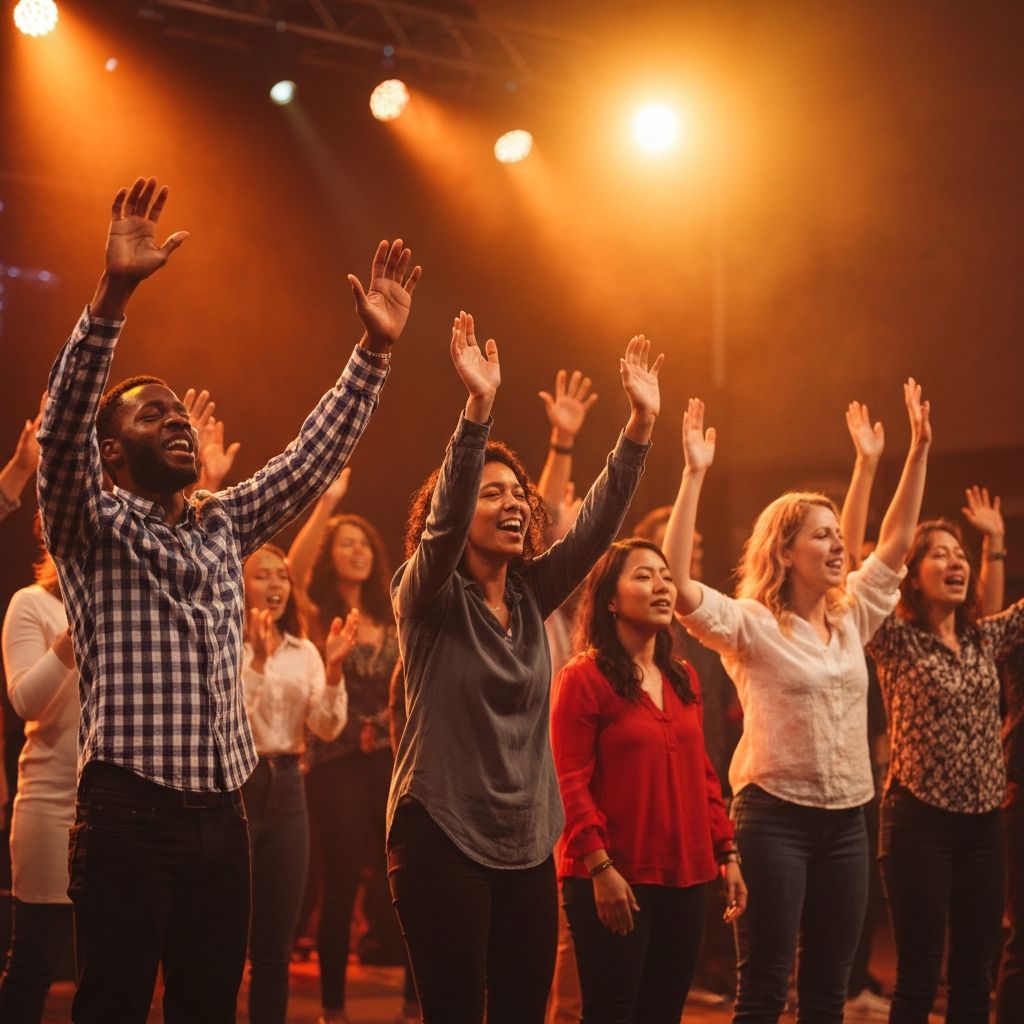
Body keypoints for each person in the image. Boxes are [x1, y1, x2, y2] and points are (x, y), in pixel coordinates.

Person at [35, 175, 420, 1023]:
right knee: (115, 1007)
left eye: (181, 413)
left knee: (212, 1007)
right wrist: (113, 294)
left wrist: (375, 355)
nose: (176, 422)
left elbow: (308, 461)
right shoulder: (89, 523)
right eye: (152, 416)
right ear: (110, 454)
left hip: (227, 815)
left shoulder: (220, 522)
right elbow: (61, 428)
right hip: (128, 815)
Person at [387, 313, 661, 1023]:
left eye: (520, 496)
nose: (513, 504)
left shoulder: (534, 592)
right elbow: (444, 526)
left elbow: (598, 523)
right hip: (439, 834)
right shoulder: (427, 597)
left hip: (525, 842)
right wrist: (477, 412)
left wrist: (638, 426)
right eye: (492, 492)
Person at [662, 381, 932, 1024]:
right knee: (763, 989)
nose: (839, 546)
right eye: (821, 536)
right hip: (772, 819)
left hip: (847, 822)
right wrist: (693, 476)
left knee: (826, 994)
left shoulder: (851, 617)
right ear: (784, 551)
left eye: (839, 535)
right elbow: (674, 584)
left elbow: (894, 545)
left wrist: (917, 450)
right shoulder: (752, 624)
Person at [551, 537, 747, 1023]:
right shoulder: (584, 677)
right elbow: (568, 781)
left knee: (663, 1012)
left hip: (686, 873)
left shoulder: (682, 677)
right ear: (610, 599)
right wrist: (599, 868)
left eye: (665, 577)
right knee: (613, 1011)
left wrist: (728, 852)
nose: (661, 586)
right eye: (643, 576)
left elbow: (702, 773)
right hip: (615, 875)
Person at [861, 506, 1020, 1024]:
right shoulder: (894, 638)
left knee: (975, 975)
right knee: (919, 975)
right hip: (918, 822)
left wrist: (994, 541)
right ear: (911, 572)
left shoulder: (982, 638)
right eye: (939, 554)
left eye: (961, 555)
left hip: (983, 826)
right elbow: (862, 584)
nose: (956, 562)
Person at [287, 474, 409, 1024]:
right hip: (335, 764)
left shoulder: (393, 618)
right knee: (339, 885)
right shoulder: (315, 616)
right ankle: (333, 1011)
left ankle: (415, 1006)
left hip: (390, 763)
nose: (357, 550)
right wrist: (328, 505)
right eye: (346, 542)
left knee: (403, 883)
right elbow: (291, 570)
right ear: (330, 556)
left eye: (364, 542)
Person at [240, 543, 353, 1024]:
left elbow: (327, 727)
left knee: (275, 949)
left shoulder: (304, 650)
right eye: (263, 576)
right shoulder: (224, 644)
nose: (275, 586)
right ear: (238, 585)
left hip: (288, 788)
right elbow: (234, 721)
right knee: (219, 940)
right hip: (236, 789)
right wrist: (260, 663)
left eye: (282, 576)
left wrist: (333, 669)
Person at [0, 540, 77, 1022]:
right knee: (34, 961)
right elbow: (25, 700)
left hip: (123, 806)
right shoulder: (32, 603)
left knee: (109, 968)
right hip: (51, 800)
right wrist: (72, 637)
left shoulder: (133, 599)